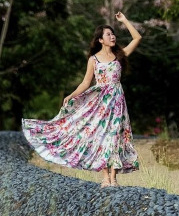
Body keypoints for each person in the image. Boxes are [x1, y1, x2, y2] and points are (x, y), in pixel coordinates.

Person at [22, 11, 141, 186]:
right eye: (108, 34)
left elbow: (137, 38)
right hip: (100, 103)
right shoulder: (93, 60)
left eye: (113, 33)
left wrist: (124, 20)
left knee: (115, 136)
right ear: (100, 40)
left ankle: (114, 178)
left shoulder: (120, 55)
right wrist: (71, 95)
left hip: (117, 103)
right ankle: (105, 177)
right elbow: (86, 82)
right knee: (101, 136)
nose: (112, 36)